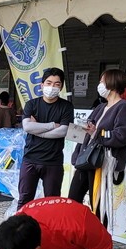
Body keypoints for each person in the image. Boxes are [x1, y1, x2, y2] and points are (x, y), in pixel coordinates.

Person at [68, 69, 126, 214]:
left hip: (101, 163)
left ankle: (97, 229)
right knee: (72, 200)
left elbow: (123, 135)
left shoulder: (123, 107)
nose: (99, 85)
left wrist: (96, 133)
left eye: (102, 81)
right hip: (85, 160)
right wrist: (76, 154)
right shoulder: (100, 107)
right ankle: (75, 227)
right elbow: (86, 132)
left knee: (98, 205)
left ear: (112, 82)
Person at [18, 67, 75, 208]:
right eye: (49, 83)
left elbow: (63, 131)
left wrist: (37, 129)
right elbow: (27, 127)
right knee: (25, 200)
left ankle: (50, 224)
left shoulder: (66, 106)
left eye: (56, 84)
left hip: (53, 161)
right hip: (30, 159)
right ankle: (20, 223)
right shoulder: (31, 104)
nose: (52, 87)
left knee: (52, 202)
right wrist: (52, 125)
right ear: (42, 85)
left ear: (61, 87)